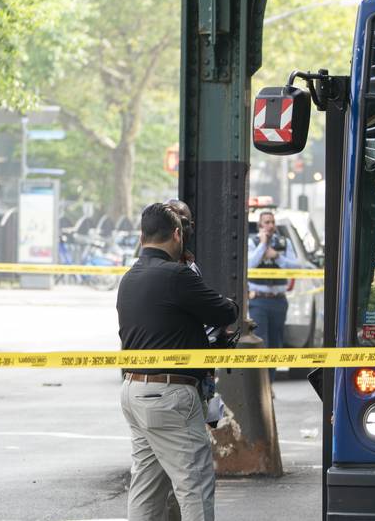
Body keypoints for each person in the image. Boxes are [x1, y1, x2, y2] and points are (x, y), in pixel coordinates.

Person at [118, 203, 239, 521]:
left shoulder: (129, 278)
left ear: (142, 236)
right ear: (176, 234)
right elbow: (224, 313)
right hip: (170, 395)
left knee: (146, 487)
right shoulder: (177, 275)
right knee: (195, 485)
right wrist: (231, 303)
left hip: (134, 392)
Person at [247, 211, 304, 366]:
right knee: (260, 342)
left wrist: (277, 257)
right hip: (258, 300)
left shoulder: (284, 243)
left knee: (274, 345)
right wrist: (262, 246)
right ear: (260, 225)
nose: (270, 225)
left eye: (272, 222)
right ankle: (261, 383)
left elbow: (296, 266)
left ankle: (269, 385)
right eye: (266, 222)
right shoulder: (253, 242)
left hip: (279, 300)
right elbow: (249, 264)